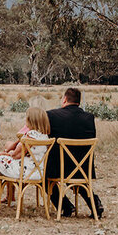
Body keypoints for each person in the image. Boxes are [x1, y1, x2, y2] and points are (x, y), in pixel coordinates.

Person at [0, 105, 49, 217]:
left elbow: (15, 155)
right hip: (37, 172)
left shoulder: (29, 135)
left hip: (23, 172)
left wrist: (1, 153)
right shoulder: (44, 137)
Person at [46, 87, 105, 218]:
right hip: (83, 167)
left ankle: (66, 206)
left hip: (59, 167)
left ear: (65, 99)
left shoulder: (52, 115)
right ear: (78, 101)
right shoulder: (89, 118)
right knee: (80, 180)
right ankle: (95, 204)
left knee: (44, 178)